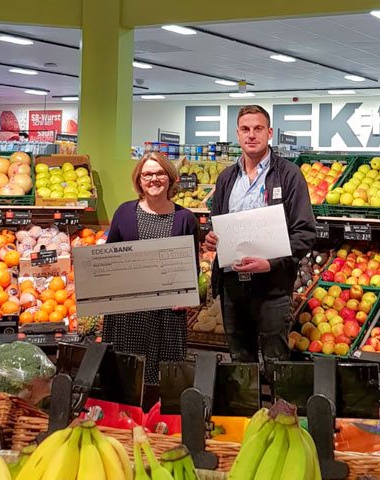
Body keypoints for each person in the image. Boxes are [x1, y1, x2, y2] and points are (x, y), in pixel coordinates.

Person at [205, 105, 315, 374]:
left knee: (276, 364)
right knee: (240, 364)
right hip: (232, 286)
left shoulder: (289, 175)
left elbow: (305, 232)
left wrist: (271, 263)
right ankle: (247, 416)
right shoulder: (226, 178)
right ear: (237, 134)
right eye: (245, 129)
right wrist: (211, 238)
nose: (251, 135)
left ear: (269, 133)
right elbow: (217, 222)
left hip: (272, 287)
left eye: (258, 129)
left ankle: (281, 415)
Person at [102, 152, 198, 406]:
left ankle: (160, 429)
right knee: (127, 377)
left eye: (159, 173)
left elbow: (192, 265)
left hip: (168, 314)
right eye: (147, 174)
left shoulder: (185, 218)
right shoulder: (124, 212)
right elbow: (107, 259)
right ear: (139, 180)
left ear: (170, 178)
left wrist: (188, 296)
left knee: (165, 382)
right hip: (127, 313)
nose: (153, 179)